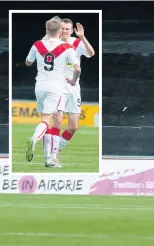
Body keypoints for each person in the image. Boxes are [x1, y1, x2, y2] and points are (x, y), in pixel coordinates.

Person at [25, 18, 81, 162]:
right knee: (47, 121)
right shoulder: (66, 47)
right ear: (59, 31)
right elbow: (77, 68)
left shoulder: (37, 44)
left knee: (47, 120)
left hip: (39, 86)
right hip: (56, 87)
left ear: (46, 30)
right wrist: (74, 80)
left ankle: (47, 158)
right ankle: (34, 139)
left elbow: (28, 62)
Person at [44, 18, 95, 168]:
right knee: (58, 120)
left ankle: (54, 151)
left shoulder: (77, 43)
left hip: (74, 87)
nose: (65, 31)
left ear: (71, 30)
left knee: (73, 126)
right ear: (59, 30)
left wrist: (82, 36)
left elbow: (91, 53)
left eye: (67, 29)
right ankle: (52, 157)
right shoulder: (53, 43)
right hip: (58, 87)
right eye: (62, 29)